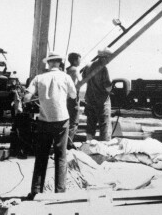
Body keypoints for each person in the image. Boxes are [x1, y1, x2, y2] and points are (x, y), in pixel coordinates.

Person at [23, 51, 77, 197]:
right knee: (60, 156)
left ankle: (35, 191)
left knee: (41, 156)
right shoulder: (66, 77)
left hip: (44, 121)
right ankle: (59, 192)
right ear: (59, 62)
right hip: (61, 120)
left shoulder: (39, 78)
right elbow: (73, 95)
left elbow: (27, 97)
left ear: (48, 63)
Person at [82, 48, 113, 141]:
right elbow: (107, 86)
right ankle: (105, 146)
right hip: (102, 101)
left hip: (90, 99)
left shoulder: (88, 65)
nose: (109, 60)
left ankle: (89, 143)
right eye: (108, 58)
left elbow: (84, 79)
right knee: (105, 125)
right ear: (103, 57)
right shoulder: (103, 68)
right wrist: (111, 89)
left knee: (90, 124)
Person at [66, 52, 82, 143]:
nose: (80, 61)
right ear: (75, 60)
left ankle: (66, 142)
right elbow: (80, 82)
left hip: (67, 98)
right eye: (79, 59)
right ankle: (69, 144)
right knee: (74, 122)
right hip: (73, 99)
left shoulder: (68, 70)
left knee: (68, 121)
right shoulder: (75, 70)